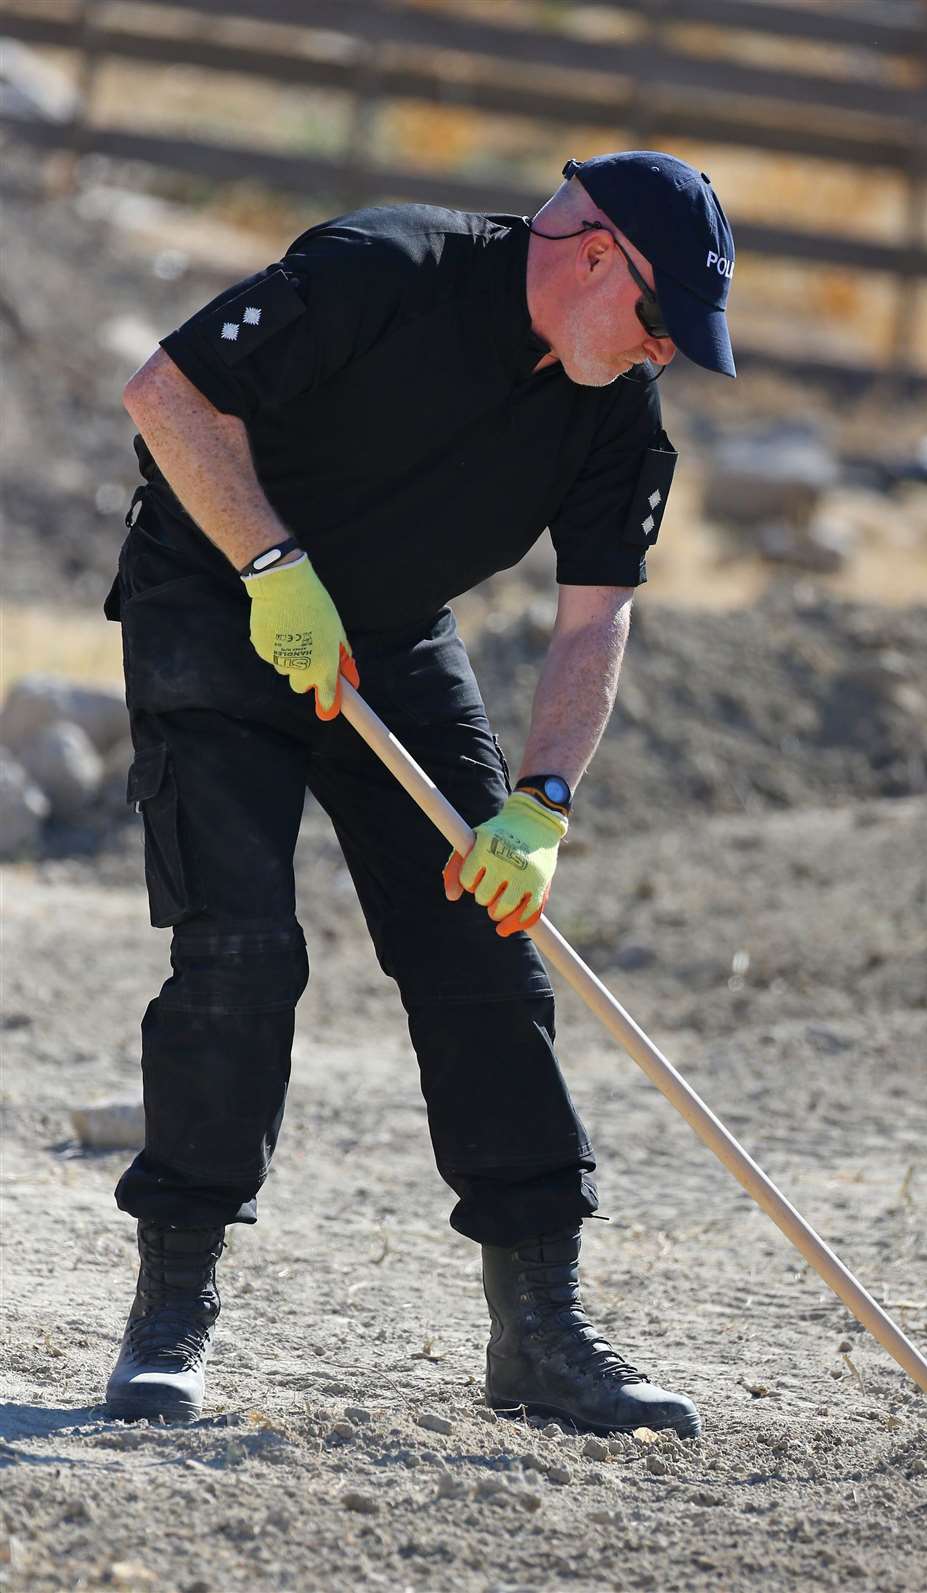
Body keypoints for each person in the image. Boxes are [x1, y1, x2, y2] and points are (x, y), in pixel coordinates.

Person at [102, 150, 736, 1435]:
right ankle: (171, 1310)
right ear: (596, 257)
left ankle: (540, 1333)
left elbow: (593, 620)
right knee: (239, 957)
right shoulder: (383, 268)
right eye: (661, 321)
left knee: (487, 952)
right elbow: (168, 395)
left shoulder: (614, 408)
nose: (664, 355)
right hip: (217, 601)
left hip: (387, 641)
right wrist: (273, 566)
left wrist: (543, 802)